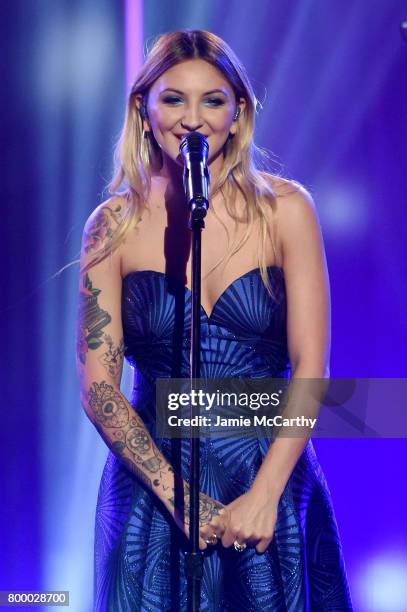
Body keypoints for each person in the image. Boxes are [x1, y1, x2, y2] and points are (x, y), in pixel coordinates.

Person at [77, 29, 353, 611]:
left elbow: (311, 365)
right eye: (173, 98)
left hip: (266, 472)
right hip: (153, 488)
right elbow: (99, 386)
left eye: (213, 100)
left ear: (239, 112)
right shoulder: (113, 226)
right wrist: (175, 494)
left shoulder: (287, 211)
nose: (192, 119)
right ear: (143, 108)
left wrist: (265, 495)